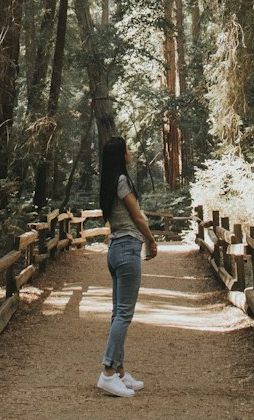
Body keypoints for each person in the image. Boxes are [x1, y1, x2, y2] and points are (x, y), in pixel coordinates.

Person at [96, 136, 157, 397]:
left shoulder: (108, 183)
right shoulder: (121, 181)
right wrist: (152, 241)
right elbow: (138, 216)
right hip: (128, 247)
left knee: (117, 313)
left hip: (114, 249)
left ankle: (120, 373)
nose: (130, 152)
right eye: (127, 150)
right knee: (124, 314)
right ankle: (107, 374)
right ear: (121, 156)